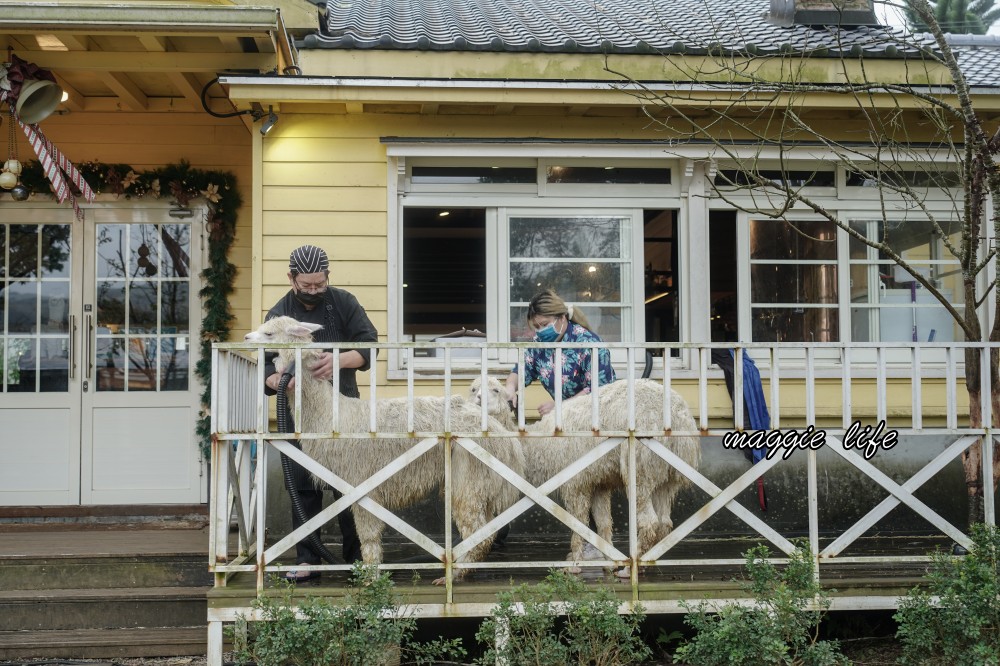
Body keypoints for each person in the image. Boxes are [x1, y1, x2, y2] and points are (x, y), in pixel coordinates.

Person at [262, 244, 378, 581]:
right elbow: (263, 365)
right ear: (291, 278)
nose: (313, 291)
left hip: (346, 411)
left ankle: (356, 559)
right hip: (300, 415)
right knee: (303, 485)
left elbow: (369, 344)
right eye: (307, 285)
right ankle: (307, 559)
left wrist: (339, 359)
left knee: (350, 483)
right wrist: (277, 379)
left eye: (320, 284)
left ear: (328, 277)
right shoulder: (278, 313)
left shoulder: (345, 302)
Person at [504, 289, 616, 416]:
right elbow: (521, 370)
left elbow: (599, 390)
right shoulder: (539, 343)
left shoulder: (590, 343)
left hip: (598, 417)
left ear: (562, 318)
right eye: (537, 327)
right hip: (565, 418)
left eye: (545, 324)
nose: (541, 331)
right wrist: (510, 388)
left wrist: (560, 406)